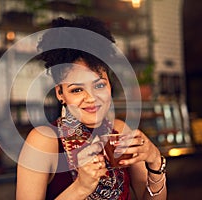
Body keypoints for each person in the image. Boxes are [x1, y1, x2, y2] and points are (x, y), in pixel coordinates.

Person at [16, 16, 167, 200]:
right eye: (77, 89)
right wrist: (81, 187)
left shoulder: (120, 131)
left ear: (110, 85)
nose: (91, 98)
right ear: (60, 93)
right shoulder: (43, 141)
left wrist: (155, 162)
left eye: (99, 85)